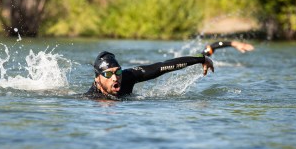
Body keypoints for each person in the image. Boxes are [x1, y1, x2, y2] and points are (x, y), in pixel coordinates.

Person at [84, 41, 253, 100]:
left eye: (118, 72)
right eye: (108, 74)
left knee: (205, 52)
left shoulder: (128, 77)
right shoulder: (91, 98)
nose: (115, 78)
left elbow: (162, 66)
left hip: (203, 54)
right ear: (98, 79)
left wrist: (201, 59)